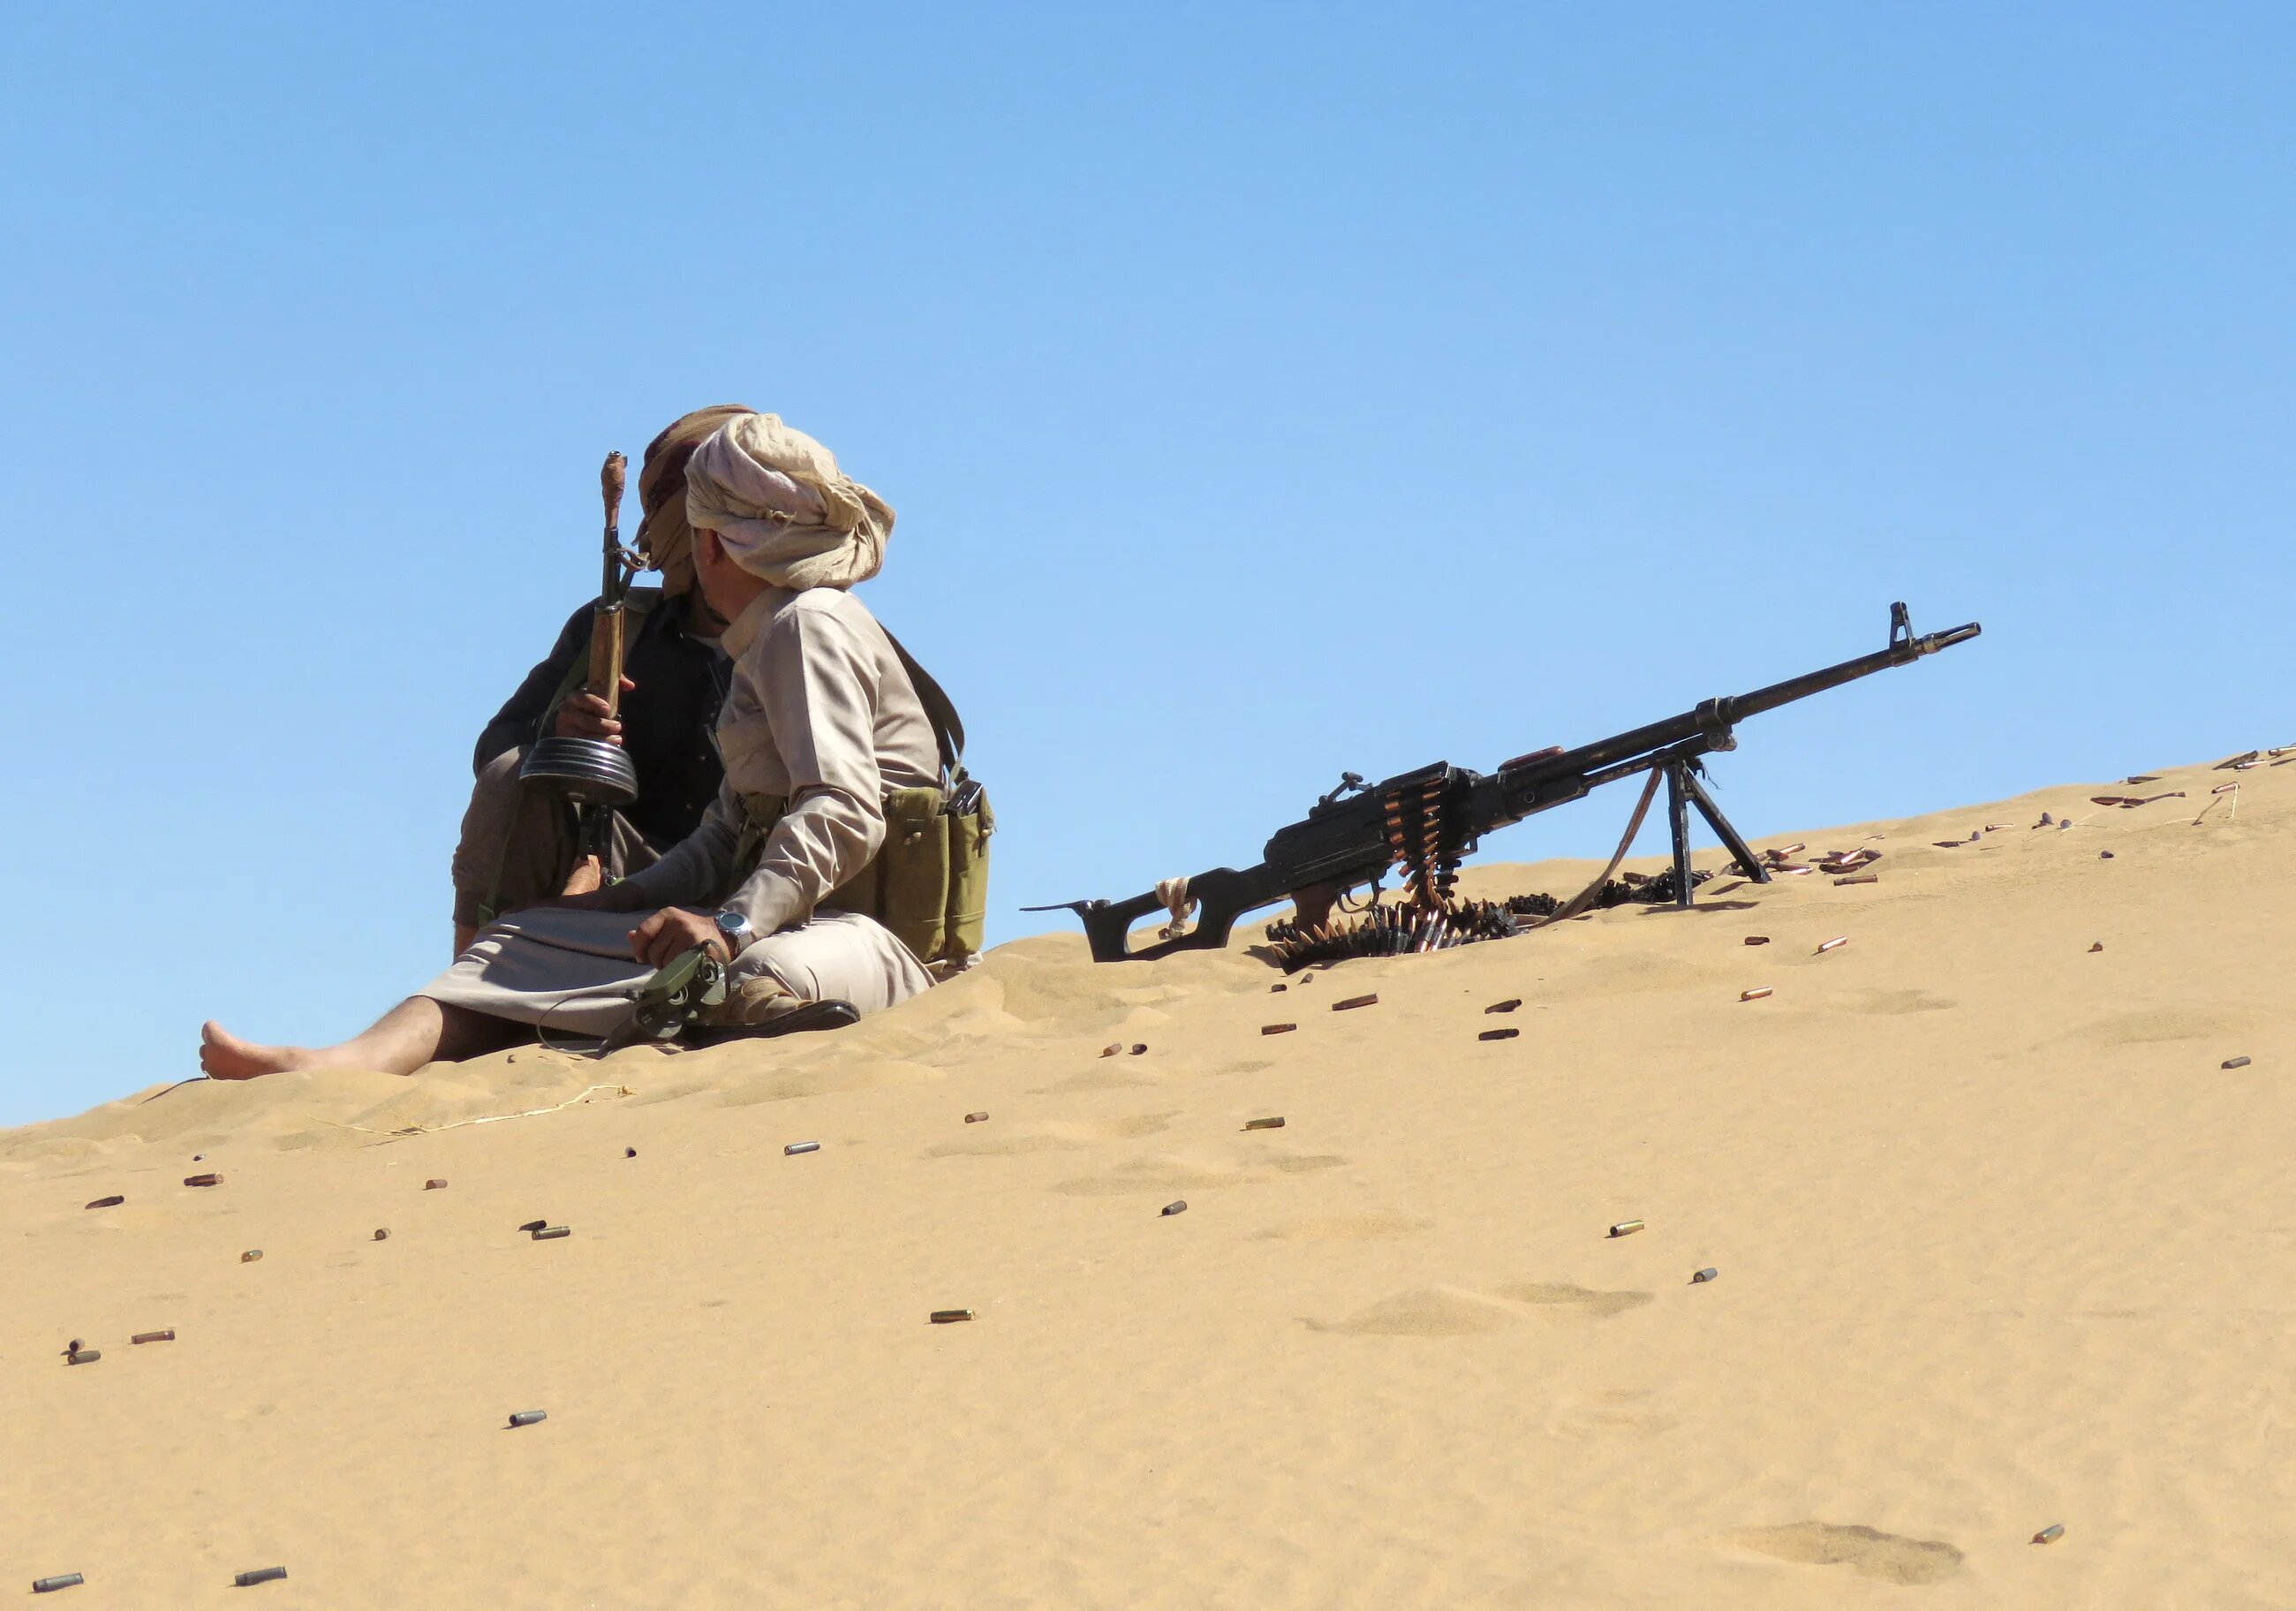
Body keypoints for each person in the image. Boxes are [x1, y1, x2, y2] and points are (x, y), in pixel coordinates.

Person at [201, 412, 948, 1079]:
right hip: (752, 920)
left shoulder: (809, 627)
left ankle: (701, 1026)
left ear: (712, 542)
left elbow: (844, 810)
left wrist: (727, 926)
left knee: (752, 977)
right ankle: (337, 1067)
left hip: (858, 941)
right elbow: (728, 833)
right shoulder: (766, 636)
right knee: (515, 942)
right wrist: (615, 906)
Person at [449, 405, 751, 954]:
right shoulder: (620, 627)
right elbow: (495, 751)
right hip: (621, 864)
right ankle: (471, 980)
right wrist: (560, 733)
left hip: (752, 875)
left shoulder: (809, 639)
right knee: (512, 774)